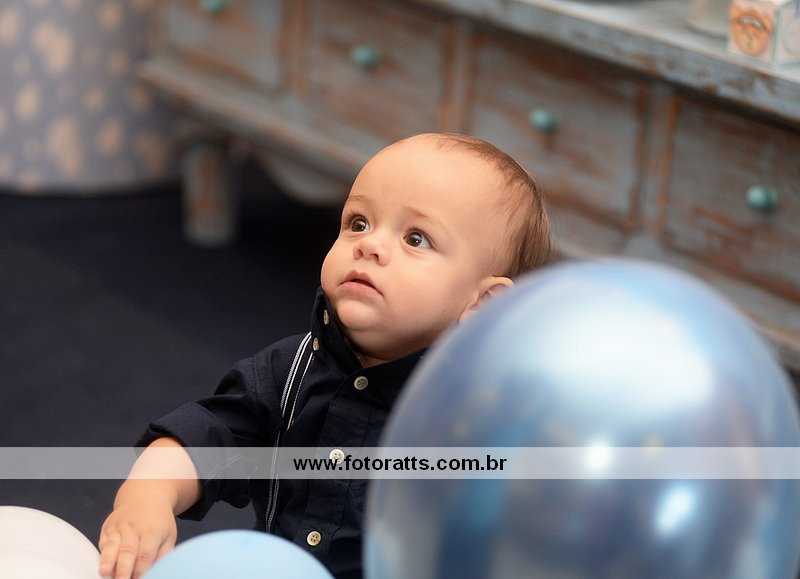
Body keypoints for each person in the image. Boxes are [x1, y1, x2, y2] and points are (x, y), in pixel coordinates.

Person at [97, 132, 554, 579]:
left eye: (416, 238)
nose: (369, 245)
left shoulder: (480, 424)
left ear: (483, 304)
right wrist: (148, 497)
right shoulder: (288, 373)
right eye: (359, 222)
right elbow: (205, 438)